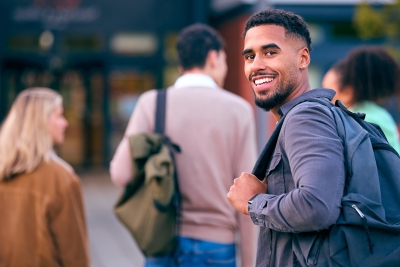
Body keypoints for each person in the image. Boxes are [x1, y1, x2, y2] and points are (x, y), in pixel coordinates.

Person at [110, 23, 257, 267]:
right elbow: (248, 195)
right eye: (224, 59)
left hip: (162, 240)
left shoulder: (152, 104)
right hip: (216, 246)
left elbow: (120, 174)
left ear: (181, 64)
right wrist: (251, 260)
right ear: (213, 56)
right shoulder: (238, 110)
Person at [227, 9, 346, 267]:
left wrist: (253, 202)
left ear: (303, 58)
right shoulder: (305, 115)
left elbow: (317, 206)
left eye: (270, 52)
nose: (256, 65)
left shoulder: (304, 117)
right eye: (250, 55)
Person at [0, 88, 90, 267]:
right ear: (40, 122)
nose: (65, 123)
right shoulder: (61, 179)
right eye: (58, 116)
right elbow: (75, 256)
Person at [322, 46, 400, 153]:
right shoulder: (380, 115)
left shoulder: (355, 121)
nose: (323, 98)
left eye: (328, 91)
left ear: (347, 93)